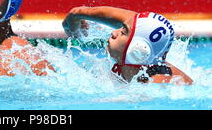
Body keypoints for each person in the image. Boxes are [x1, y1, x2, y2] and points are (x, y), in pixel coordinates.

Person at [62, 6, 193, 85]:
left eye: (123, 32)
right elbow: (75, 13)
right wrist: (75, 18)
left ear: (137, 50)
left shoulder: (157, 86)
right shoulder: (143, 57)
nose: (113, 33)